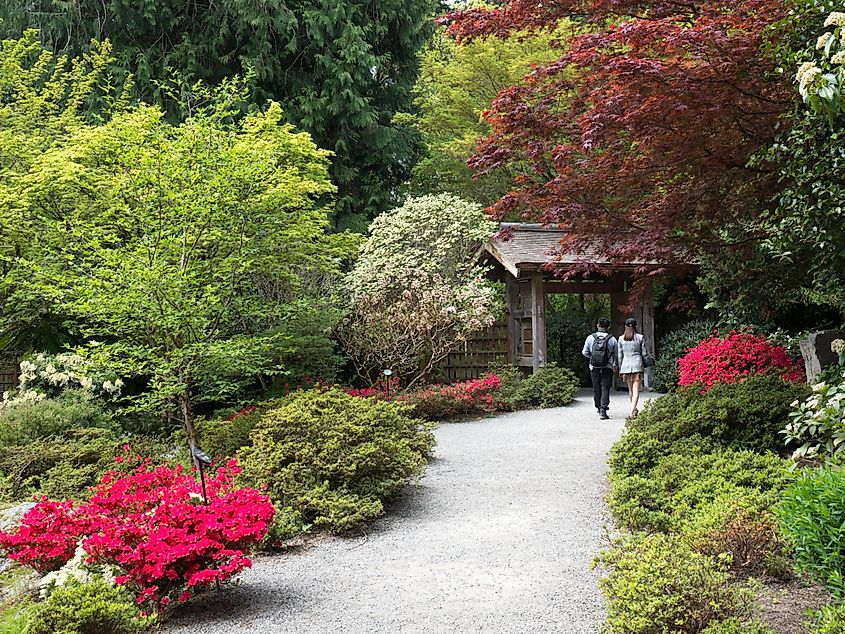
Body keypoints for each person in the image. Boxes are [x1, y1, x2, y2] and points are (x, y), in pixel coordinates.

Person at [582, 317, 618, 419]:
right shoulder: (612, 339)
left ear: (598, 325)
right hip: (608, 367)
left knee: (596, 388)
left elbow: (584, 352)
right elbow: (616, 355)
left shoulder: (590, 338)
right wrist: (615, 365)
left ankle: (598, 406)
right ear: (608, 326)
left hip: (594, 367)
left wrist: (593, 358)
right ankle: (603, 409)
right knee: (605, 388)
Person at [618, 317, 646, 419]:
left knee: (630, 390)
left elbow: (620, 355)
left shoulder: (621, 338)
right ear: (635, 326)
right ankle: (631, 411)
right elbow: (644, 353)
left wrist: (620, 367)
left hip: (626, 365)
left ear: (625, 326)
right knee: (636, 390)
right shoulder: (640, 337)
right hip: (637, 365)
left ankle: (633, 409)